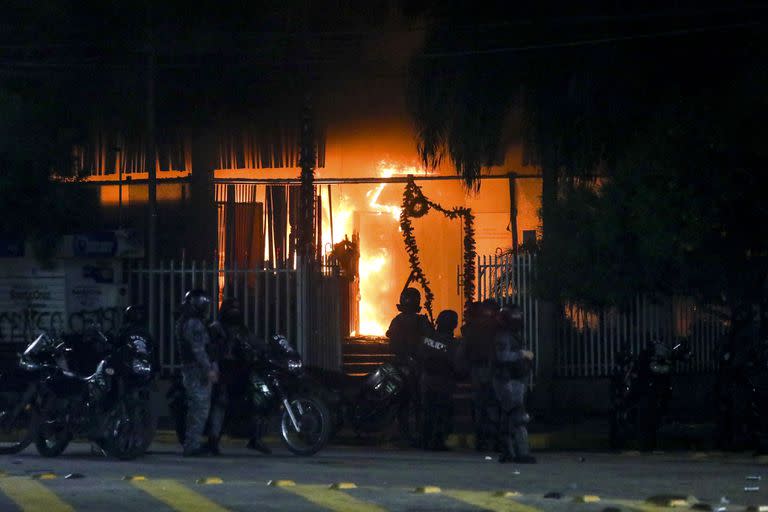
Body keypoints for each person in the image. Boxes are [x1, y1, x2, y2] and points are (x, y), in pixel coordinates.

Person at [207, 297, 271, 455]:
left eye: (237, 309)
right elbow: (212, 349)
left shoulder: (242, 329)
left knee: (258, 400)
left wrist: (269, 349)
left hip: (242, 370)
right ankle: (213, 441)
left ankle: (255, 439)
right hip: (223, 370)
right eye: (231, 309)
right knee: (221, 404)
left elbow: (255, 342)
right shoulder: (217, 328)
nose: (235, 312)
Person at [385, 287, 434, 443]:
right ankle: (416, 432)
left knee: (405, 400)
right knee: (416, 400)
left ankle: (407, 432)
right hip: (412, 365)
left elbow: (392, 342)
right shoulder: (421, 321)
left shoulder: (398, 321)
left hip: (407, 365)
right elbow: (429, 340)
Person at [176, 289, 217, 457]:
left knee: (197, 408)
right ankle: (191, 445)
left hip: (194, 368)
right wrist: (209, 369)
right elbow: (198, 349)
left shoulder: (189, 320)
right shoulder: (193, 323)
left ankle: (192, 443)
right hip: (196, 370)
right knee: (199, 409)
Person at [492, 304, 536, 463]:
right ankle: (521, 452)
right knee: (518, 417)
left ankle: (508, 452)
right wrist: (521, 354)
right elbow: (502, 356)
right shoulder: (504, 337)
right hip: (507, 381)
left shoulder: (511, 335)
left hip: (513, 380)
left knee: (508, 417)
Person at [418, 309, 459, 451]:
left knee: (428, 410)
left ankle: (426, 440)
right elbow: (457, 363)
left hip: (427, 380)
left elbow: (420, 355)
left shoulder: (427, 339)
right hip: (443, 382)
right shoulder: (452, 344)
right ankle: (438, 441)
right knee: (443, 411)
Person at [462, 299, 500, 451]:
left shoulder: (475, 329)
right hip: (489, 371)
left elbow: (465, 351)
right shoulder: (497, 329)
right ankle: (491, 440)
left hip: (480, 371)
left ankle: (482, 440)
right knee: (491, 406)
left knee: (482, 406)